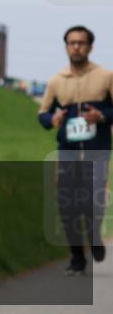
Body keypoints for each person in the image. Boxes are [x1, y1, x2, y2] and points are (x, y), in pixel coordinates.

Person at [37, 25, 113, 276]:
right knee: (67, 206)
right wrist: (52, 119)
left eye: (81, 42)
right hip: (68, 151)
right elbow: (43, 113)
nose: (76, 47)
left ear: (90, 47)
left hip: (97, 150)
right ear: (66, 46)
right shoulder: (57, 81)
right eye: (71, 43)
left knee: (92, 203)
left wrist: (101, 115)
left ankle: (94, 238)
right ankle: (78, 258)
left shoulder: (105, 76)